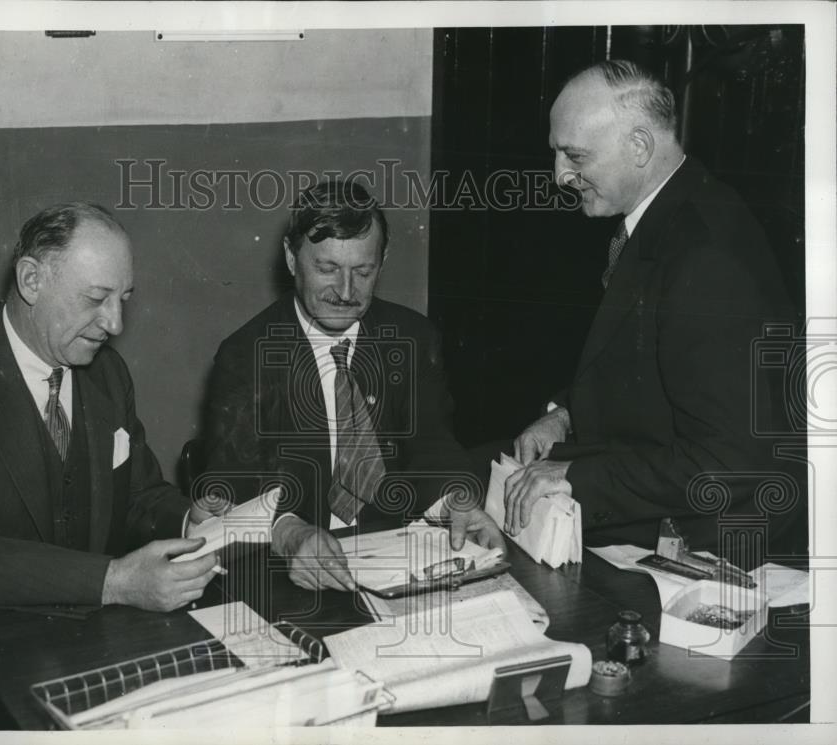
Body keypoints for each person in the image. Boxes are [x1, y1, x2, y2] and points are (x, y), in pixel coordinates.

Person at [503, 60, 803, 562]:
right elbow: (654, 370)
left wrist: (572, 475)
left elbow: (729, 459)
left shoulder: (705, 253)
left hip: (716, 542)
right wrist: (565, 416)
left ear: (639, 147)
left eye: (575, 155)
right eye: (557, 154)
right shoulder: (670, 212)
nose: (560, 176)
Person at [0, 203, 218, 611]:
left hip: (101, 633)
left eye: (123, 299)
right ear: (30, 280)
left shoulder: (107, 373)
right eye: (96, 298)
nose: (115, 324)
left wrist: (187, 522)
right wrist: (111, 582)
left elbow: (137, 493)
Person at [204, 180, 504, 592]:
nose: (346, 293)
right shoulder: (246, 356)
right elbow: (235, 486)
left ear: (382, 261)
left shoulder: (412, 337)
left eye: (363, 272)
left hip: (397, 558)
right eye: (327, 269)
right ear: (292, 259)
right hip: (288, 571)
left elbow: (433, 441)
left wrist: (454, 500)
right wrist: (290, 534)